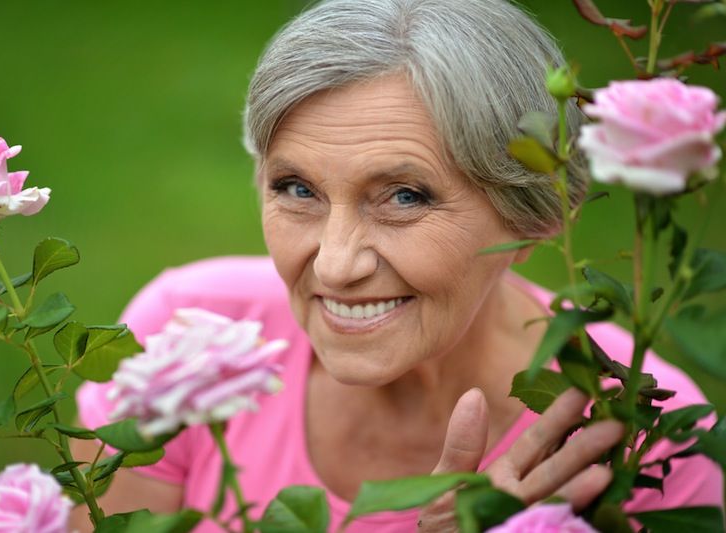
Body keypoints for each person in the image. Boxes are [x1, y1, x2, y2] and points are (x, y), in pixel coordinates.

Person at [71, 0, 723, 531]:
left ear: (537, 217)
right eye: (297, 189)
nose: (334, 264)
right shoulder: (183, 334)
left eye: (406, 196)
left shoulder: (645, 438)